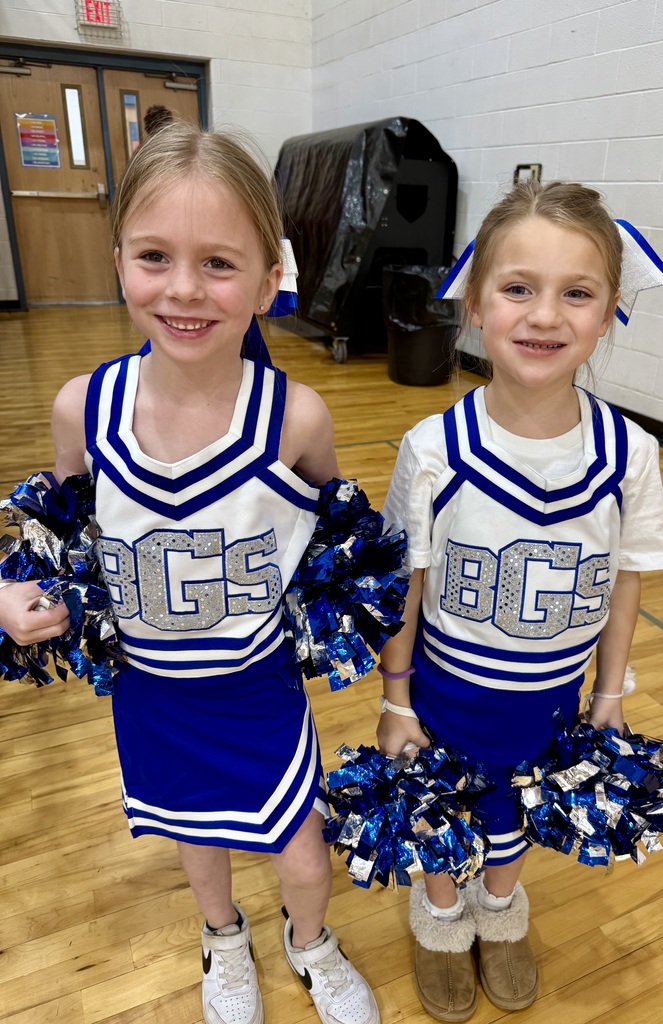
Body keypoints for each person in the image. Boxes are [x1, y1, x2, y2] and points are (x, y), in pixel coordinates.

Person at [0, 122, 380, 1024]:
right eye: (155, 256)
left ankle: (310, 941)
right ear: (119, 258)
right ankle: (222, 939)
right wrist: (16, 596)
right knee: (194, 837)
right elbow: (54, 536)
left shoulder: (295, 417)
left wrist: (352, 627)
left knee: (305, 855)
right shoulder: (81, 409)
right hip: (153, 692)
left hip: (260, 691)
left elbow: (351, 545)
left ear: (268, 276)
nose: (183, 288)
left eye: (218, 262)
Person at [376, 180, 663, 1021]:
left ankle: (501, 913)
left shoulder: (630, 453)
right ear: (475, 303)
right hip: (445, 689)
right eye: (519, 288)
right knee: (440, 809)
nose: (546, 315)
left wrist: (610, 695)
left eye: (575, 293)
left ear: (610, 311)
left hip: (554, 695)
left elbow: (626, 582)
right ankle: (439, 918)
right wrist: (395, 700)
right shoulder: (433, 448)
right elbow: (407, 584)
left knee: (526, 809)